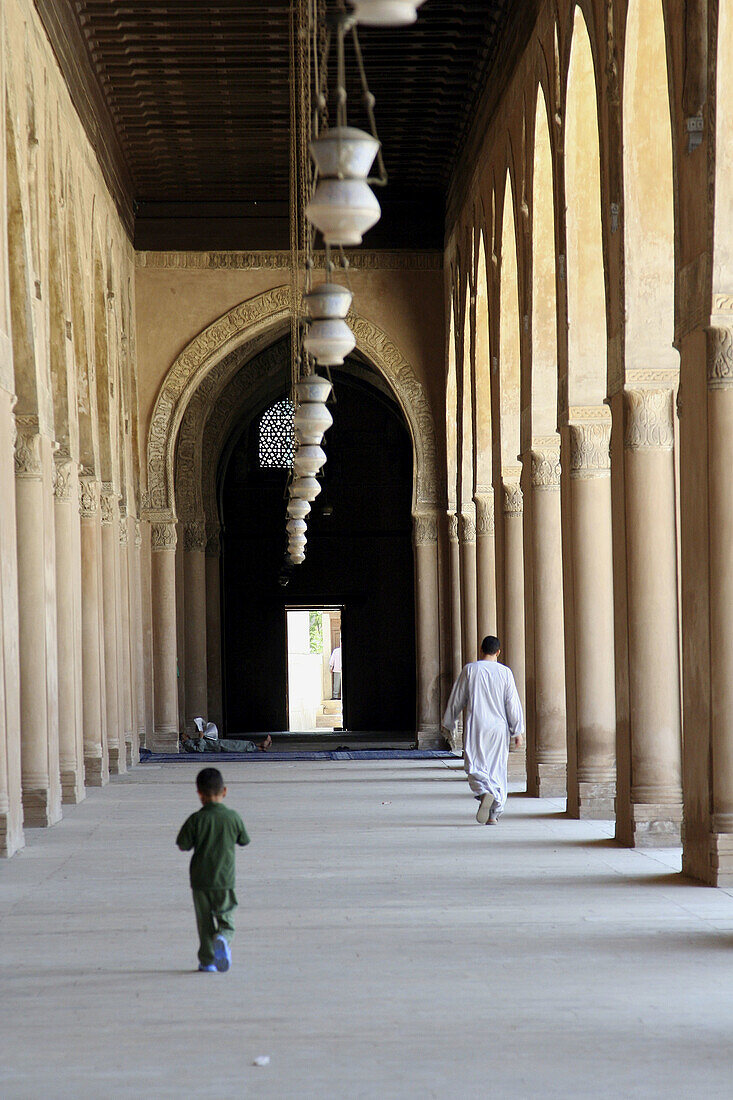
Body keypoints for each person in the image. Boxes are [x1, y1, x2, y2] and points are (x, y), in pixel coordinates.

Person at [443, 635, 524, 825]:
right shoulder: (505, 672)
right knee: (497, 768)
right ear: (498, 652)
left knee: (475, 765)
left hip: (476, 725)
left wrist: (449, 722)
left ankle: (483, 792)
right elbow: (512, 703)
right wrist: (517, 730)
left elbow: (457, 699)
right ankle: (494, 813)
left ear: (481, 650)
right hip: (498, 728)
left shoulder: (470, 670)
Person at [176, 767, 250, 972]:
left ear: (199, 794)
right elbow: (244, 840)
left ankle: (207, 961)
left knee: (204, 921)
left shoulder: (196, 819)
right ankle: (223, 937)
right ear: (224, 791)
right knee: (226, 917)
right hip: (224, 879)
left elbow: (183, 845)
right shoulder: (232, 817)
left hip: (200, 879)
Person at [181, 718, 271, 754]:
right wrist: (201, 738)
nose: (187, 735)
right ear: (182, 739)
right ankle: (260, 747)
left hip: (217, 744)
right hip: (217, 747)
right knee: (238, 747)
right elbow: (200, 750)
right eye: (185, 735)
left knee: (239, 743)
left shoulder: (190, 741)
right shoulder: (187, 744)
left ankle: (261, 745)